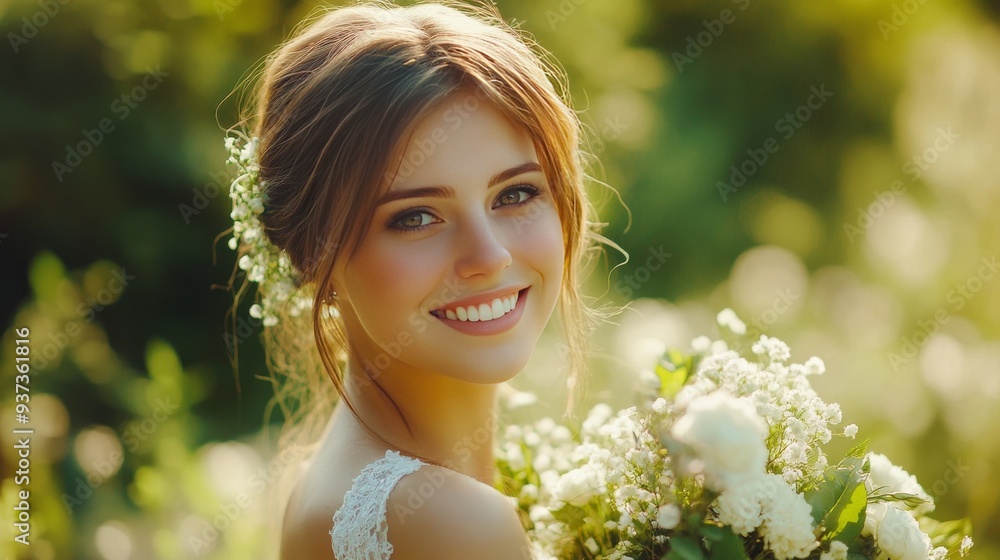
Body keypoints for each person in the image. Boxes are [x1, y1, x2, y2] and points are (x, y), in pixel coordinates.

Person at [223, 1, 609, 558]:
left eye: (516, 193)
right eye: (416, 217)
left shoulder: (332, 484)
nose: (489, 256)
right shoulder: (447, 522)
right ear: (312, 253)